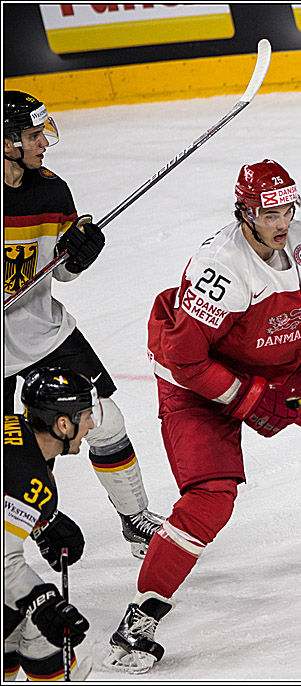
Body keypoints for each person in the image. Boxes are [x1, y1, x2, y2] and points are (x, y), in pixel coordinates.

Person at [104, 159, 301, 674]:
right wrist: (247, 397)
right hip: (197, 386)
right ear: (245, 213)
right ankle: (142, 616)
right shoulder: (221, 268)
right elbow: (186, 360)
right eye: (270, 213)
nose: (282, 222)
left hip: (276, 365)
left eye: (287, 209)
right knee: (211, 500)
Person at [4, 90, 165, 559]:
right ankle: (29, 533)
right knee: (15, 453)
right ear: (6, 142)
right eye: (33, 136)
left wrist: (78, 255)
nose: (44, 144)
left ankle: (135, 519)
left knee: (104, 418)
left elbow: (61, 272)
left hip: (42, 331)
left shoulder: (53, 191)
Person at [4, 368, 99, 681]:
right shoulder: (26, 478)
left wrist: (42, 521)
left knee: (27, 618)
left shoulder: (16, 429)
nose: (91, 425)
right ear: (63, 424)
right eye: (86, 416)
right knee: (39, 614)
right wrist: (40, 600)